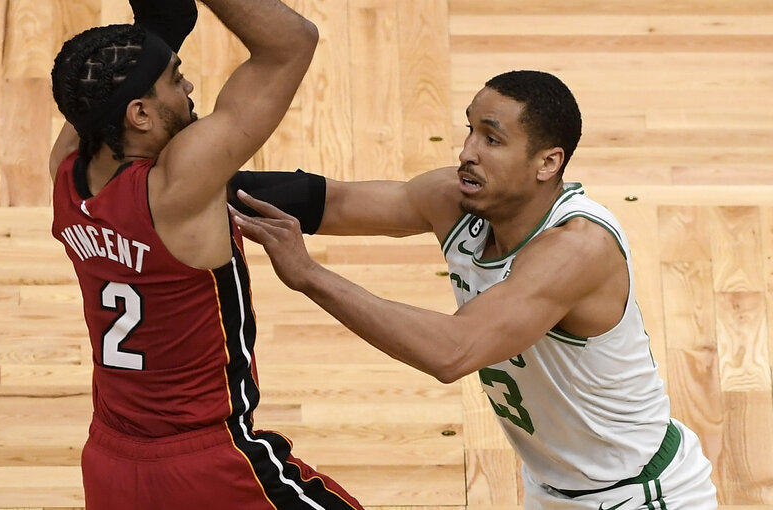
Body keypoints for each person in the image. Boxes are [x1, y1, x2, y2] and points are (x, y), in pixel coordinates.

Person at [230, 70, 719, 509]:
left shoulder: (576, 250)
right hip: (553, 489)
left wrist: (309, 275)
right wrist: (191, 180)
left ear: (547, 163)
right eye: (470, 129)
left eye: (492, 139)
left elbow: (453, 351)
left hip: (638, 494)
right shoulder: (457, 199)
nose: (467, 151)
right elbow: (332, 201)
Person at [48, 0, 364, 508]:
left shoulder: (65, 174)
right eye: (177, 79)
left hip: (109, 465)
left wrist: (154, 32)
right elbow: (292, 43)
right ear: (140, 113)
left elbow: (92, 97)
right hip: (207, 464)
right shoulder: (178, 187)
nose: (190, 89)